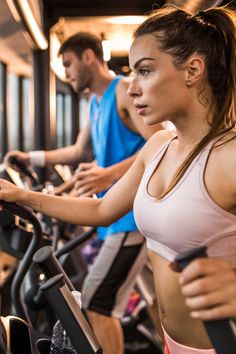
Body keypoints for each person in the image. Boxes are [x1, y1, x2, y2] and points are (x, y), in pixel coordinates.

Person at [1, 4, 236, 353]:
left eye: (145, 71)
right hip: (174, 343)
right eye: (134, 73)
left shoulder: (229, 158)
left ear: (193, 70)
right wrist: (21, 196)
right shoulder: (158, 145)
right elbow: (101, 210)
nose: (133, 88)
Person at [4, 32, 164, 354]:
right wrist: (30, 157)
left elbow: (159, 143)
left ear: (89, 56)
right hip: (111, 215)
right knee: (122, 302)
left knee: (96, 304)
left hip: (129, 218)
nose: (66, 73)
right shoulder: (95, 102)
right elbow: (78, 151)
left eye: (68, 64)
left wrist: (108, 174)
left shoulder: (122, 92)